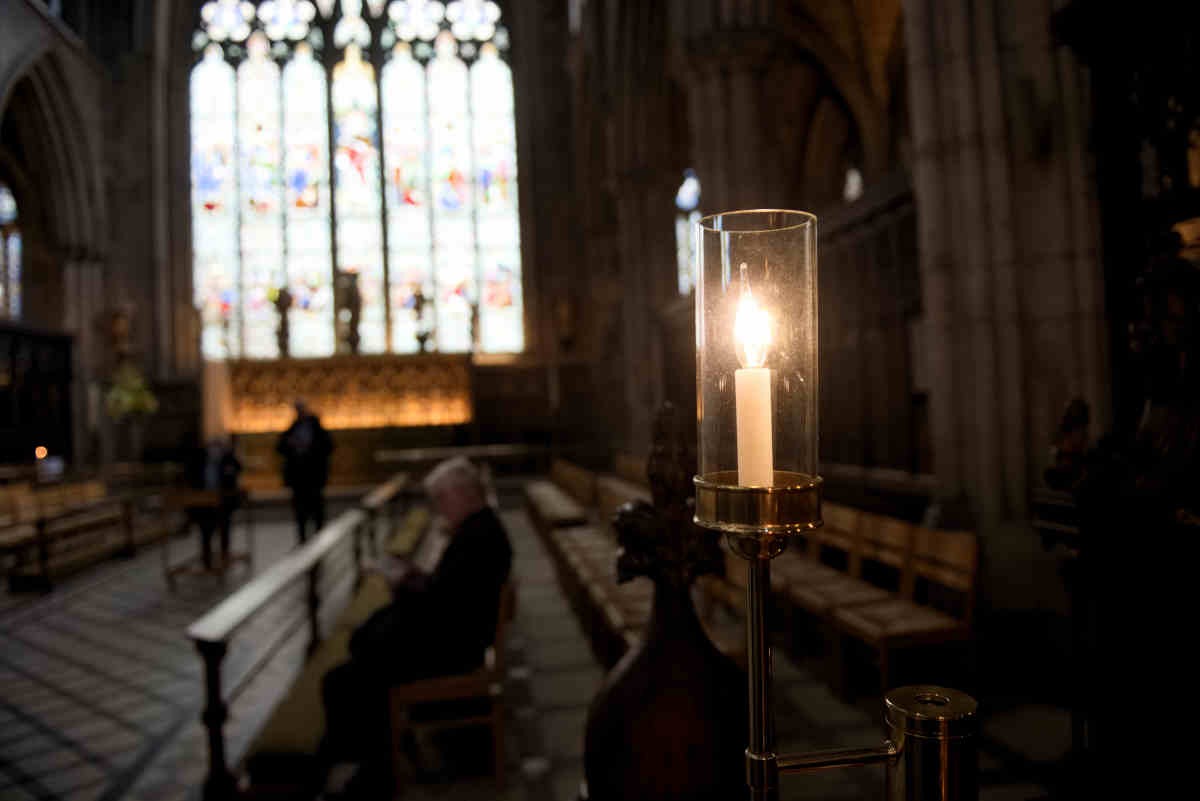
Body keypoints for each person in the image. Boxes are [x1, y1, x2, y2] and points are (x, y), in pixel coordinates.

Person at [320, 457, 512, 796]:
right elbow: (450, 595)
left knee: (346, 680)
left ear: (461, 495)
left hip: (455, 652)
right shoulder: (480, 529)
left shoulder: (479, 537)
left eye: (441, 500)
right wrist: (414, 580)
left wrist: (406, 585)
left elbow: (444, 608)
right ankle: (378, 763)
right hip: (456, 637)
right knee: (359, 660)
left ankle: (374, 774)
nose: (439, 509)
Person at [276, 399, 334, 544]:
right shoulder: (293, 427)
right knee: (300, 511)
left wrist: (310, 447)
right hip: (298, 477)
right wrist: (292, 444)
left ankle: (320, 539)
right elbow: (280, 446)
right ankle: (302, 540)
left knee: (317, 509)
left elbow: (328, 446)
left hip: (314, 475)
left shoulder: (316, 427)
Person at [185, 436, 242, 570]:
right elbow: (191, 476)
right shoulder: (199, 460)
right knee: (206, 532)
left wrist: (230, 454)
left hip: (223, 502)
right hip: (204, 504)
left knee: (224, 530)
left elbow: (238, 469)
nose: (214, 451)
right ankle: (207, 560)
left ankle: (224, 555)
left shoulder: (227, 459)